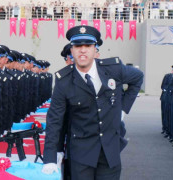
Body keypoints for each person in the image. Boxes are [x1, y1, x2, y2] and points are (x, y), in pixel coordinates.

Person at [42, 25, 144, 180]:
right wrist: (50, 157)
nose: (83, 50)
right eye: (77, 46)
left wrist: (123, 110)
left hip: (110, 152)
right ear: (71, 50)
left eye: (88, 46)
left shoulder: (113, 69)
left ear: (95, 49)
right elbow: (54, 121)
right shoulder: (64, 81)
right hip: (81, 154)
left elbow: (138, 78)